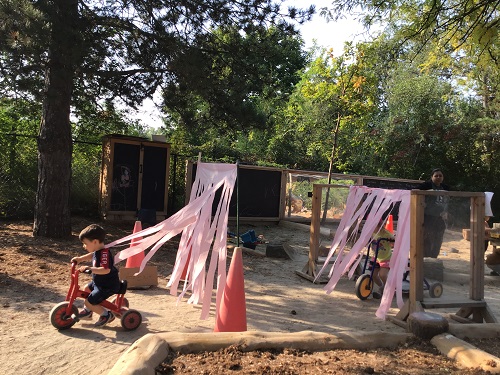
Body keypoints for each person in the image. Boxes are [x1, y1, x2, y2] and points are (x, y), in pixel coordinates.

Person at [71, 224, 121, 327]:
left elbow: (106, 270)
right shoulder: (97, 251)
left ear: (95, 242)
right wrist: (80, 259)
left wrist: (90, 269)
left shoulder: (104, 254)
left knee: (90, 301)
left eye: (85, 243)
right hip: (99, 283)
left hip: (107, 286)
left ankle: (106, 315)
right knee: (86, 289)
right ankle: (88, 312)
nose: (84, 246)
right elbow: (91, 256)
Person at [418, 168, 450, 258]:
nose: (438, 177)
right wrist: (428, 193)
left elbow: (448, 200)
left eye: (440, 176)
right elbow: (414, 191)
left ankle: (434, 257)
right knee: (427, 238)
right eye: (436, 176)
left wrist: (446, 212)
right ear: (431, 177)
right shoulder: (426, 185)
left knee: (438, 238)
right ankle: (426, 257)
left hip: (440, 217)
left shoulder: (445, 187)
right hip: (428, 216)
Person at [371, 217, 395, 299]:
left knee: (382, 274)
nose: (372, 228)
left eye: (374, 226)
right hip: (376, 258)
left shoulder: (386, 234)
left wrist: (392, 240)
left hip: (386, 258)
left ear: (379, 226)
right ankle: (382, 287)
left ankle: (389, 289)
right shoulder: (371, 233)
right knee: (373, 275)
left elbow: (394, 242)